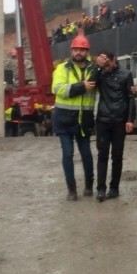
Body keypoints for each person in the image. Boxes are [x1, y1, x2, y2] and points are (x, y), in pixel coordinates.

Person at [51, 33, 97, 200]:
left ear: (87, 52)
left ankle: (89, 187)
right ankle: (71, 190)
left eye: (82, 50)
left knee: (86, 154)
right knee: (68, 154)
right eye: (76, 49)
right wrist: (81, 86)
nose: (79, 52)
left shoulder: (93, 69)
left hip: (84, 120)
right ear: (71, 51)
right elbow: (58, 89)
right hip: (64, 119)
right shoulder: (62, 68)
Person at [93, 51, 136, 201]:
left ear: (114, 60)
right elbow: (91, 82)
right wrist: (98, 67)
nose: (107, 66)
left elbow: (131, 98)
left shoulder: (126, 74)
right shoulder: (100, 74)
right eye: (104, 63)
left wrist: (130, 119)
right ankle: (100, 189)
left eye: (108, 63)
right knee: (102, 155)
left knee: (117, 156)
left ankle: (114, 188)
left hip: (119, 120)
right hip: (103, 120)